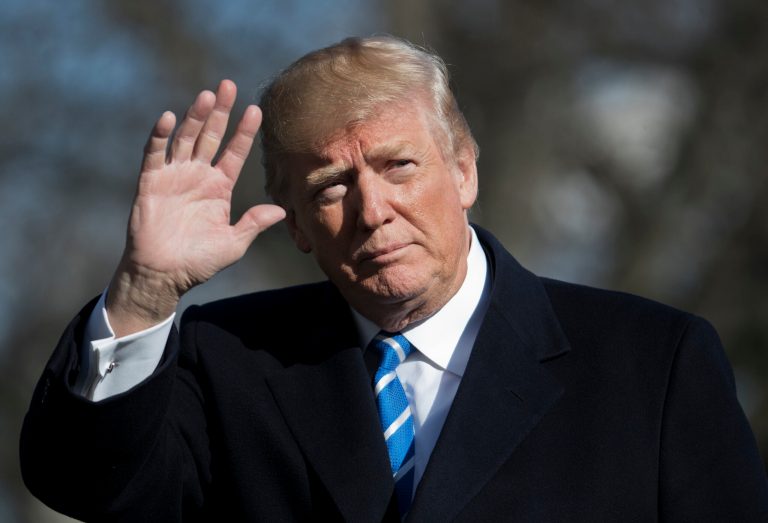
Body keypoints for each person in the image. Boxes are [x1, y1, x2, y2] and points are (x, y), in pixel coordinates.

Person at [20, 36, 768, 522]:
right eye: (330, 186)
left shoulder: (651, 362)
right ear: (297, 224)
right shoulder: (223, 362)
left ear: (464, 171)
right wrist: (144, 291)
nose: (373, 211)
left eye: (398, 166)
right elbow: (85, 487)